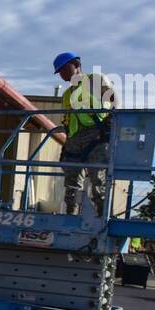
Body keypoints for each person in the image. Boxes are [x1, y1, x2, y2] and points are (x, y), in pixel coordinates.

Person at [52, 51, 116, 216]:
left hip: (96, 135)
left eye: (65, 69)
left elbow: (114, 103)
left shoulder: (95, 80)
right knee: (71, 182)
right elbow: (67, 120)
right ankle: (70, 215)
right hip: (74, 140)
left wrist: (109, 129)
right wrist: (66, 145)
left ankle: (102, 218)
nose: (63, 74)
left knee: (98, 180)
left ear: (77, 65)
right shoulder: (66, 95)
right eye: (60, 72)